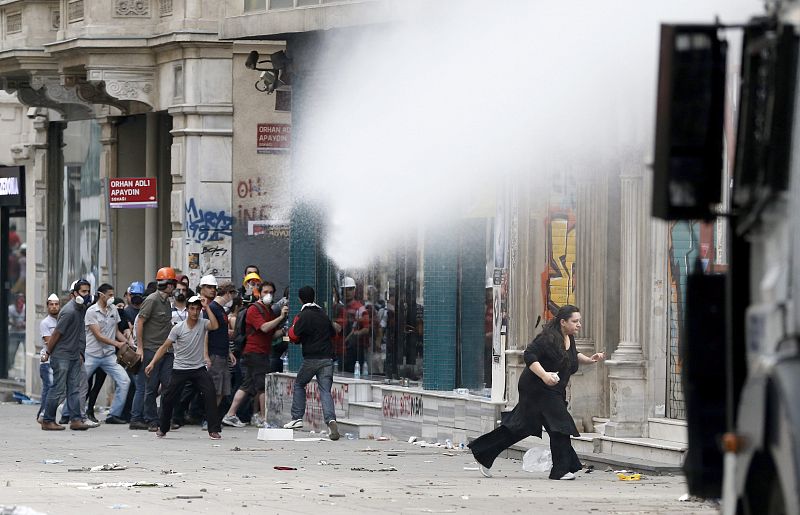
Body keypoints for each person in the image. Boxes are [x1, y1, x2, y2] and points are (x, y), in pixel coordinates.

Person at [467, 305, 604, 480]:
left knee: (522, 426)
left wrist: (590, 360)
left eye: (579, 321)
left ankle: (483, 452)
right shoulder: (547, 338)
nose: (579, 325)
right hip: (537, 389)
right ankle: (561, 469)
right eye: (575, 321)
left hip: (552, 390)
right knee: (560, 425)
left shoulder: (568, 337)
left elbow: (572, 354)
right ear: (563, 322)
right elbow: (529, 355)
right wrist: (545, 375)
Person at [145, 295, 222, 439]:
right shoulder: (178, 328)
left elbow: (215, 325)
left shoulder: (203, 323)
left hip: (198, 368)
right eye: (192, 309)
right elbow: (164, 347)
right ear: (187, 310)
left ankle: (213, 429)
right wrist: (152, 363)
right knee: (168, 398)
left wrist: (207, 307)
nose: (195, 312)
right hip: (180, 369)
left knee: (210, 393)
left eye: (198, 309)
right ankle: (163, 427)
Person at [222, 281, 288, 428]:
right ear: (259, 292)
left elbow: (271, 334)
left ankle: (230, 414)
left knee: (247, 386)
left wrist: (284, 331)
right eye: (265, 292)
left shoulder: (269, 310)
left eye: (271, 292)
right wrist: (280, 318)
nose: (268, 295)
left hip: (261, 352)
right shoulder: (254, 310)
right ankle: (264, 419)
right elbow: (264, 328)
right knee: (261, 387)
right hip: (254, 352)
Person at [282, 286, 340, 440]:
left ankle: (297, 418)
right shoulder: (323, 314)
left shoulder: (303, 316)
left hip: (312, 358)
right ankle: (331, 420)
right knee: (325, 390)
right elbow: (333, 333)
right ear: (314, 297)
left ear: (300, 299)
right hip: (327, 359)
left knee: (300, 384)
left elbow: (293, 335)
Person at [40, 280, 93, 431]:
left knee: (74, 388)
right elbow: (56, 334)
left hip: (74, 355)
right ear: (74, 294)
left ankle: (76, 420)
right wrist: (48, 352)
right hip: (61, 355)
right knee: (57, 388)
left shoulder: (82, 309)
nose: (87, 295)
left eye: (88, 291)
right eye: (83, 292)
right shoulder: (69, 311)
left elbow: (81, 332)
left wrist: (81, 352)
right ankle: (48, 420)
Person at [130, 267, 177, 431]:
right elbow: (140, 322)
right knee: (151, 387)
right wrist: (140, 348)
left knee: (168, 385)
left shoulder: (166, 302)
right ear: (169, 285)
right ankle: (151, 419)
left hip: (166, 350)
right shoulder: (152, 300)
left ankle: (164, 418)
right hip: (151, 349)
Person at [83, 283, 131, 424]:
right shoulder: (91, 312)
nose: (112, 297)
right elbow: (98, 336)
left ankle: (114, 414)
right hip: (92, 355)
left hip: (109, 356)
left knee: (124, 380)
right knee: (81, 384)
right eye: (109, 295)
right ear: (101, 295)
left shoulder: (113, 310)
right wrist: (117, 344)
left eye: (112, 294)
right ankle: (68, 412)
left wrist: (129, 343)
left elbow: (115, 331)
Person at [37, 294, 60, 424]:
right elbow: (49, 342)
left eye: (56, 304)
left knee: (50, 389)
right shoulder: (45, 323)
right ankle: (43, 414)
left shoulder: (61, 320)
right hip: (47, 361)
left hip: (58, 360)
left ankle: (42, 414)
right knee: (50, 387)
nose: (54, 307)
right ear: (47, 306)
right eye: (51, 304)